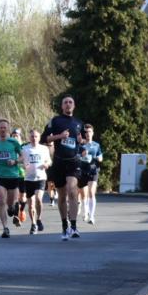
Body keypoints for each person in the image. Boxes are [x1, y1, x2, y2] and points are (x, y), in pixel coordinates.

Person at [42, 95, 86, 241]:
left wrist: (81, 141)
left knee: (72, 190)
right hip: (59, 162)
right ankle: (64, 226)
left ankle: (74, 226)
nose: (68, 104)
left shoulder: (79, 123)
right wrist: (59, 136)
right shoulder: (55, 121)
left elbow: (83, 141)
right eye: (65, 102)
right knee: (61, 196)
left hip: (73, 162)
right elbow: (44, 138)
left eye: (70, 102)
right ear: (62, 106)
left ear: (74, 105)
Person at [0, 119, 23, 238]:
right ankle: (5, 228)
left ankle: (12, 209)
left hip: (13, 176)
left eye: (4, 127)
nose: (2, 129)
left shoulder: (14, 142)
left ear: (8, 129)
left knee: (11, 204)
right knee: (1, 200)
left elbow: (22, 156)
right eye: (0, 127)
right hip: (0, 175)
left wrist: (15, 161)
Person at [20, 129, 52, 234]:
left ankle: (39, 218)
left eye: (36, 136)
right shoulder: (25, 149)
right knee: (31, 204)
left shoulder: (44, 148)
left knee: (38, 198)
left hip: (40, 177)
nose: (34, 138)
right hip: (28, 178)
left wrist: (47, 164)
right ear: (29, 138)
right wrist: (23, 165)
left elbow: (49, 160)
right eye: (32, 136)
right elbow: (20, 160)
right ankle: (33, 224)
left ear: (39, 137)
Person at [80, 123, 104, 225]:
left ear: (93, 133)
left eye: (89, 131)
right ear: (84, 134)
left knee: (91, 192)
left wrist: (99, 158)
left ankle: (92, 217)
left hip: (93, 171)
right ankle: (85, 211)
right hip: (83, 171)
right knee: (83, 195)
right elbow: (77, 157)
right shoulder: (81, 145)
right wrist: (82, 155)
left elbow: (101, 157)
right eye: (86, 132)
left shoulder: (96, 145)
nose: (88, 134)